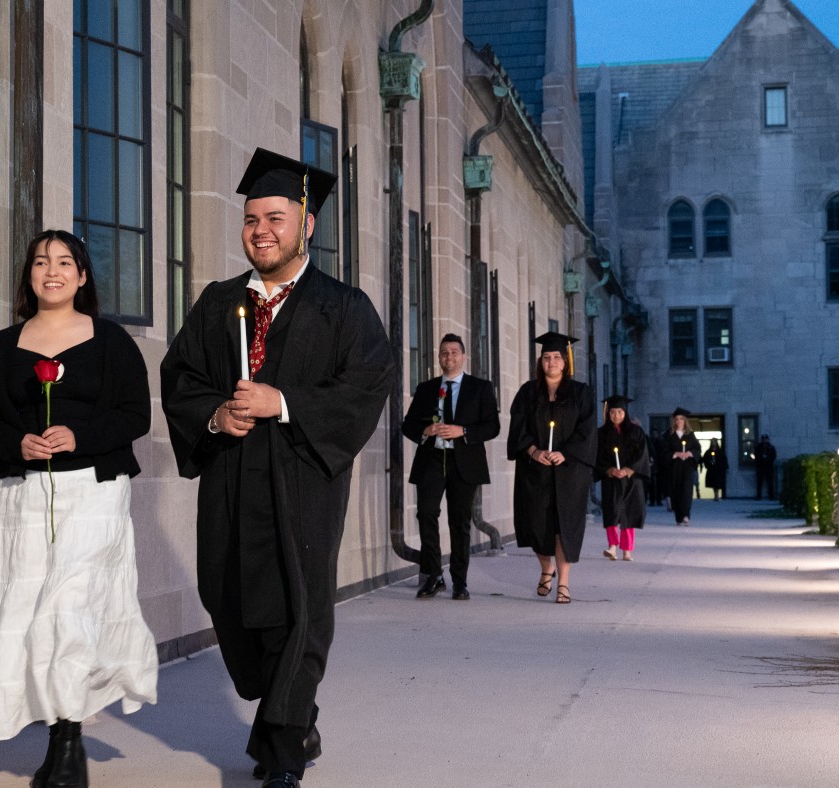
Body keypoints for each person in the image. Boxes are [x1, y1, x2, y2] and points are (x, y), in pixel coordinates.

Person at [160, 148, 394, 788]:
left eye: (275, 218)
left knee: (299, 608)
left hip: (302, 482)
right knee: (231, 599)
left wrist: (283, 402)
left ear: (307, 224)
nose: (260, 230)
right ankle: (290, 714)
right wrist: (215, 417)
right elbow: (181, 378)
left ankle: (284, 749)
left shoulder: (344, 308)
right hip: (232, 479)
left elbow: (367, 385)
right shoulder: (217, 303)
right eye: (250, 219)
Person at [0, 230, 158, 788]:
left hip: (95, 491)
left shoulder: (111, 342)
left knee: (70, 606)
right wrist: (20, 443)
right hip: (23, 498)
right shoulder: (1, 347)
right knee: (32, 612)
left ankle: (67, 742)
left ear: (83, 276)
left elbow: (135, 416)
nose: (52, 271)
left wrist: (77, 435)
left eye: (65, 262)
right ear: (29, 276)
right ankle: (58, 729)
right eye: (41, 262)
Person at [402, 333, 501, 600]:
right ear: (439, 358)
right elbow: (407, 424)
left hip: (464, 463)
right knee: (425, 514)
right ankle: (433, 576)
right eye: (444, 353)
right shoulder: (426, 388)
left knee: (460, 522)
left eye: (454, 352)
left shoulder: (480, 388)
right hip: (431, 461)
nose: (449, 357)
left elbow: (492, 426)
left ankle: (460, 581)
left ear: (463, 356)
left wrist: (463, 430)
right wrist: (426, 429)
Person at [506, 332, 597, 605]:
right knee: (536, 525)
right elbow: (518, 429)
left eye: (557, 357)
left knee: (564, 527)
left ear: (566, 362)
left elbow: (588, 431)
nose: (552, 362)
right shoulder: (527, 392)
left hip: (570, 472)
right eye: (547, 357)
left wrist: (563, 453)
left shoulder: (581, 393)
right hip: (536, 472)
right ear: (540, 361)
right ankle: (547, 568)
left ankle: (564, 583)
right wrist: (534, 451)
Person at [594, 395, 649, 561]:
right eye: (612, 412)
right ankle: (612, 546)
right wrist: (609, 470)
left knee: (629, 512)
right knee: (611, 510)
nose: (616, 415)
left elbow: (642, 455)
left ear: (625, 412)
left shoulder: (636, 431)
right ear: (607, 413)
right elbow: (597, 457)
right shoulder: (601, 434)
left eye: (619, 412)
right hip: (611, 478)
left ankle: (627, 550)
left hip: (631, 479)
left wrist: (628, 469)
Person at [662, 408, 702, 525]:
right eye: (677, 419)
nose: (679, 421)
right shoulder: (668, 435)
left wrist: (690, 453)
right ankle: (678, 517)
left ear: (685, 421)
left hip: (687, 466)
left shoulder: (690, 435)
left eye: (681, 419)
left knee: (686, 490)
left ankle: (686, 515)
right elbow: (664, 452)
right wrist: (675, 454)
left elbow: (697, 449)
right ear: (674, 421)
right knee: (676, 491)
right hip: (674, 467)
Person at [754, 434, 778, 500]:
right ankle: (758, 496)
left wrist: (768, 460)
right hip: (760, 467)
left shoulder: (771, 447)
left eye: (765, 439)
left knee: (770, 482)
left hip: (769, 467)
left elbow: (774, 456)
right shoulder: (758, 447)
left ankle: (771, 496)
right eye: (763, 439)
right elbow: (756, 456)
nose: (764, 440)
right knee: (759, 482)